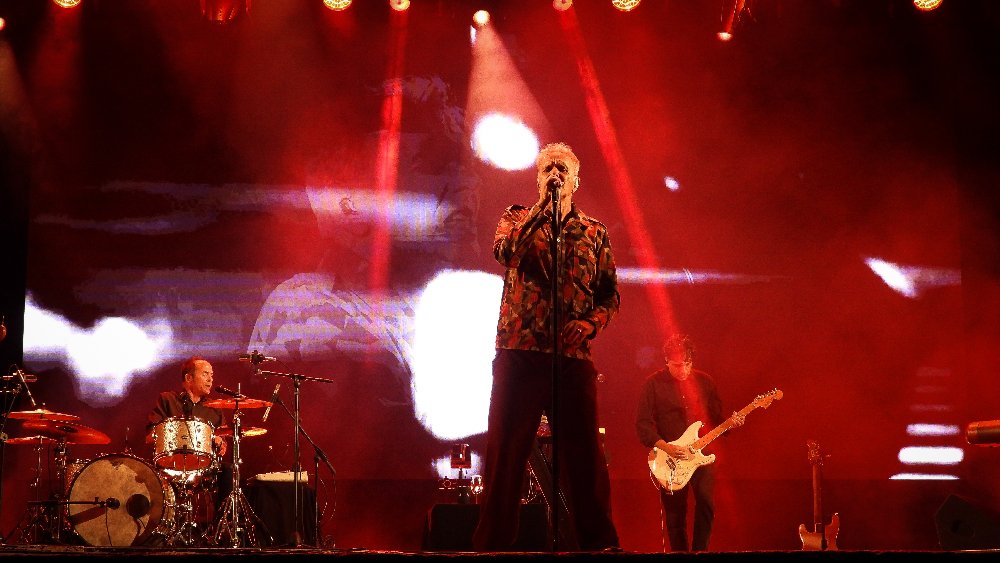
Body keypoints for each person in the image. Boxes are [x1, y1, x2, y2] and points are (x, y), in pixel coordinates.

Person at [472, 142, 620, 552]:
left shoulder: (594, 231)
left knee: (585, 457)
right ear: (539, 179)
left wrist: (589, 324)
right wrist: (541, 209)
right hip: (519, 353)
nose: (554, 174)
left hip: (571, 358)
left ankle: (599, 545)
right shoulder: (516, 218)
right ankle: (492, 547)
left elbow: (610, 295)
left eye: (562, 170)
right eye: (547, 170)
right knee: (506, 453)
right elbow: (506, 253)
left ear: (576, 181)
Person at [635, 334, 741, 552]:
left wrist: (732, 423)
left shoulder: (705, 382)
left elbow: (716, 418)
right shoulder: (653, 384)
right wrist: (666, 447)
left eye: (687, 364)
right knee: (675, 514)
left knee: (706, 503)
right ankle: (680, 555)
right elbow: (643, 424)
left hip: (701, 454)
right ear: (666, 361)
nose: (683, 370)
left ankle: (700, 552)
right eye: (677, 365)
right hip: (670, 457)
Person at [147, 357, 231, 521]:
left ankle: (220, 525)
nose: (210, 379)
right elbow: (150, 436)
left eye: (212, 375)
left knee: (228, 471)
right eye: (205, 374)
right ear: (188, 378)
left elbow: (224, 443)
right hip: (170, 465)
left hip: (204, 468)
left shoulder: (215, 408)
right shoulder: (167, 399)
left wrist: (220, 442)